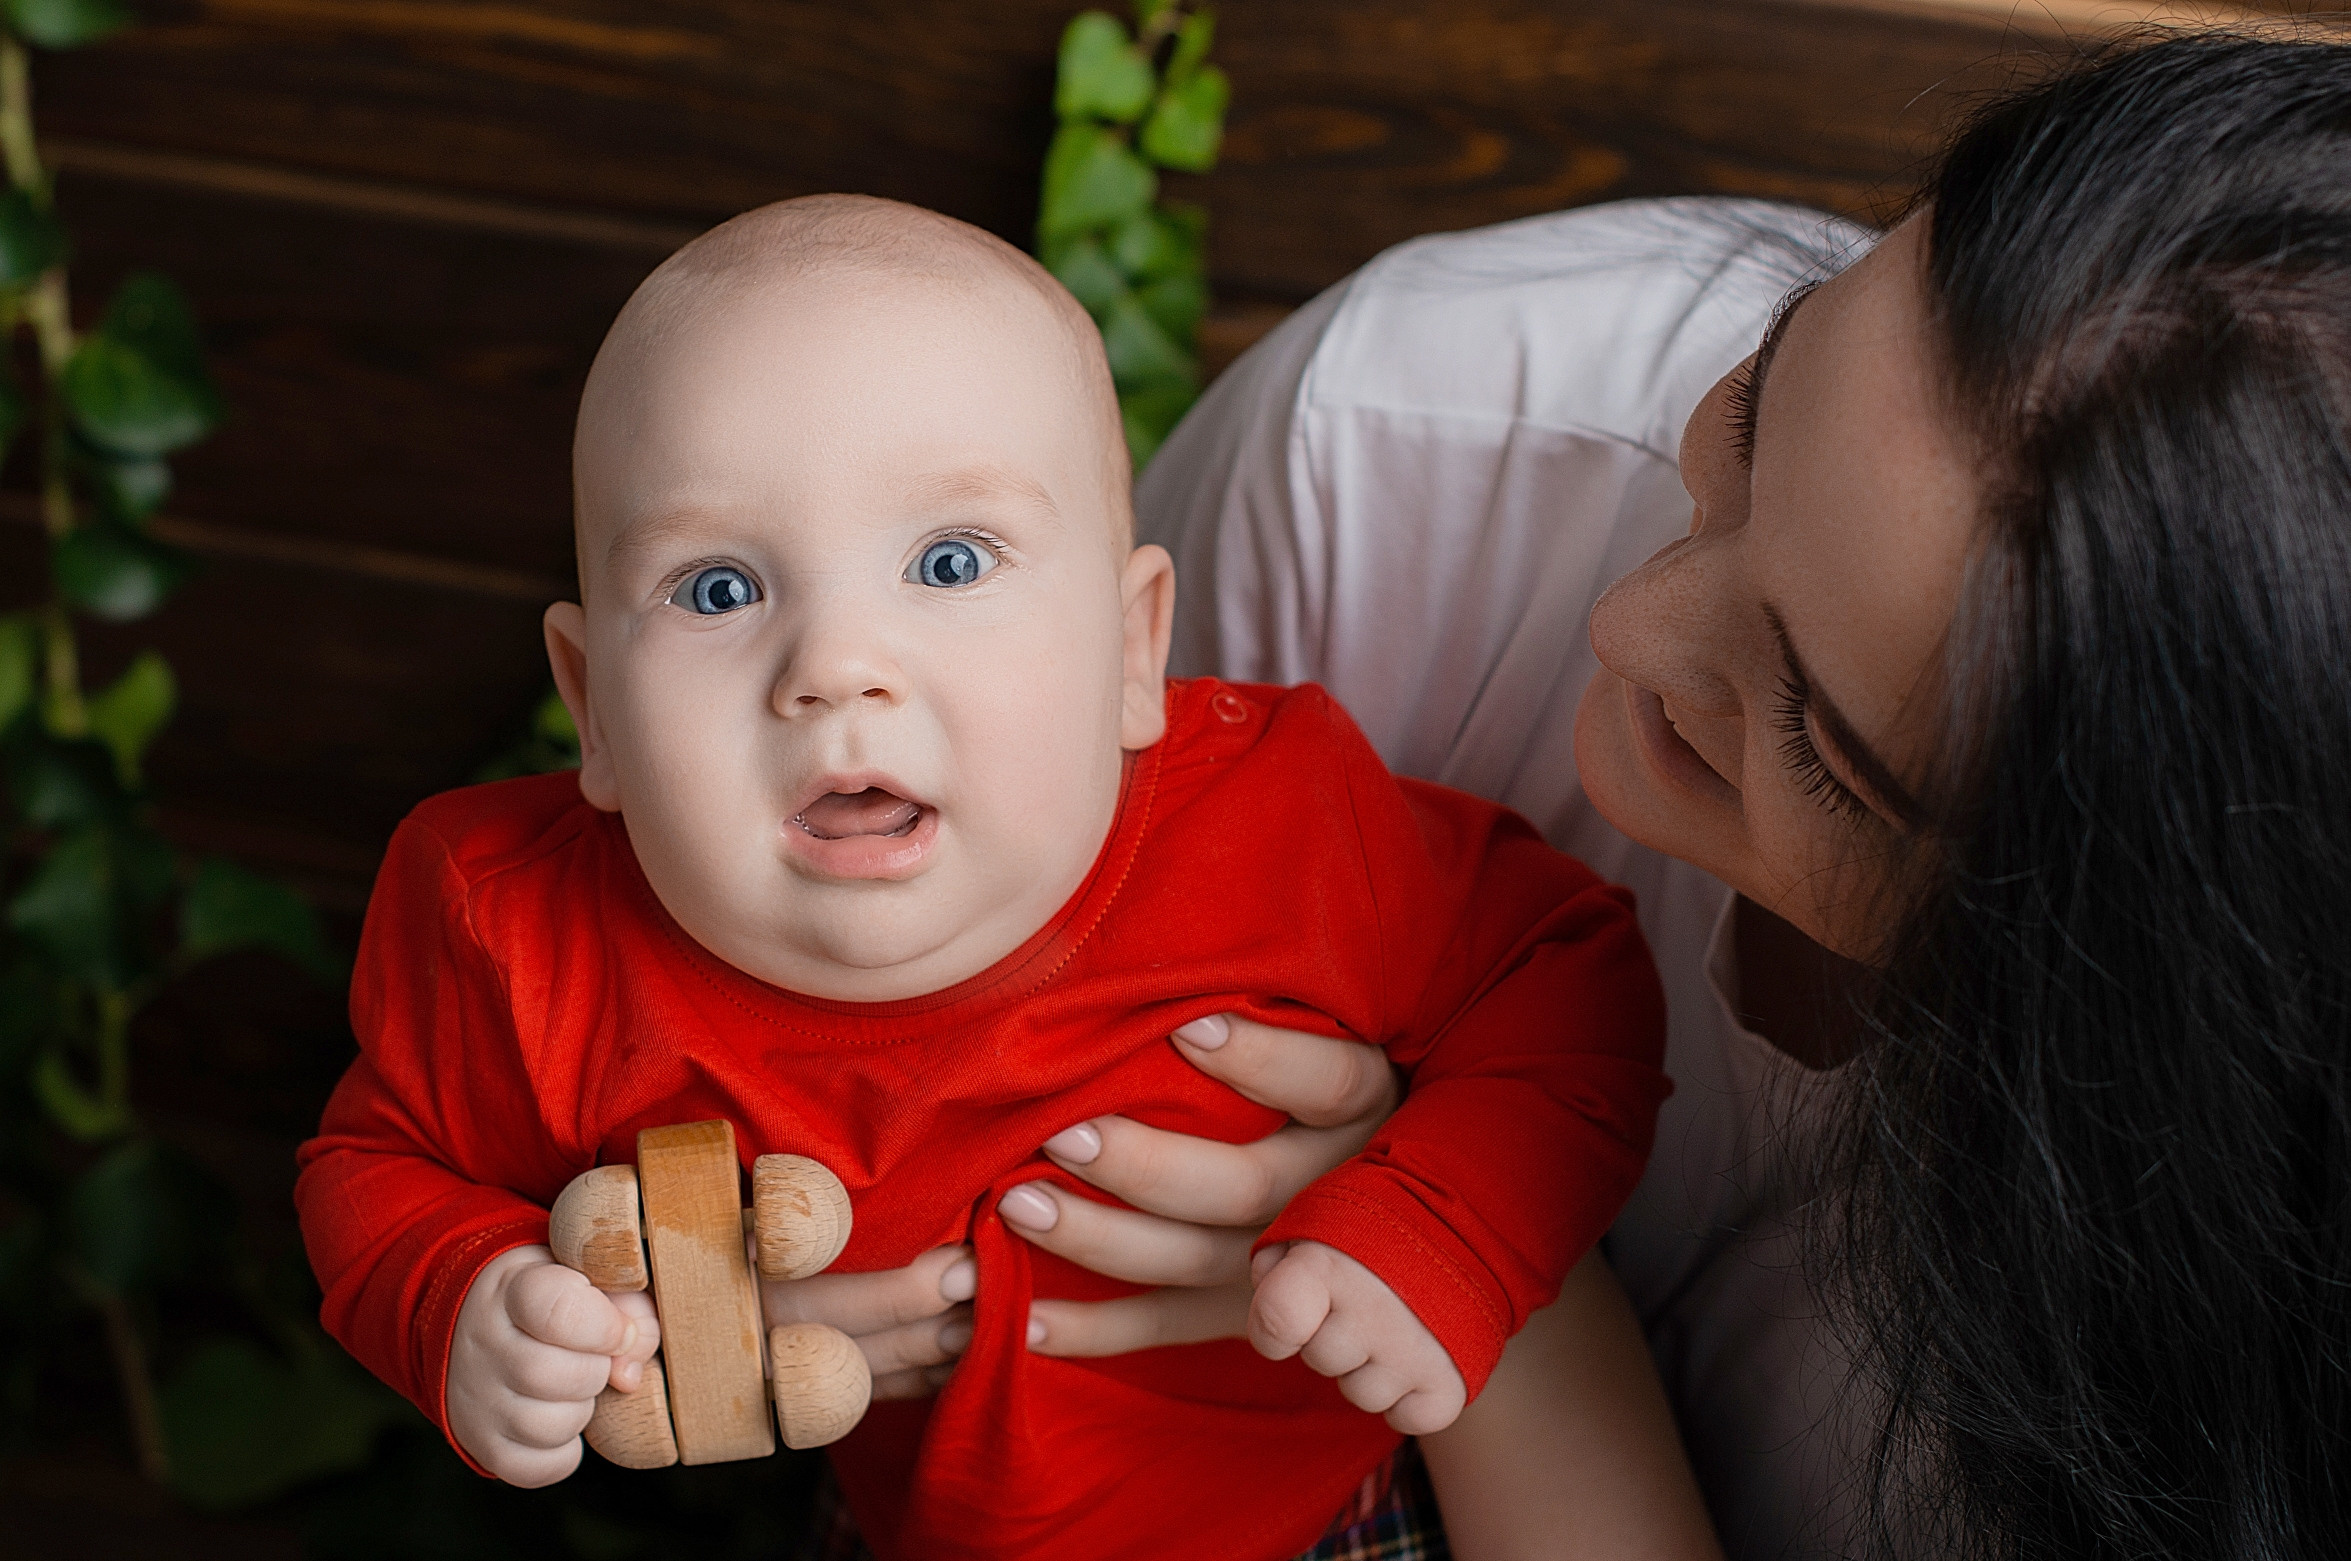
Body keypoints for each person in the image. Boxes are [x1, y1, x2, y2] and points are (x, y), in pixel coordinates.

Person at [758, 34, 2351, 1561]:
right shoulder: (1399, 442)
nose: (1627, 623)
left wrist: (1473, 1236)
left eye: (1815, 737)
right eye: (1754, 409)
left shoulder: (2220, 1377)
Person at [293, 195, 1700, 1561]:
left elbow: (1563, 978)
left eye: (951, 560)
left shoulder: (1288, 827)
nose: (837, 666)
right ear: (593, 707)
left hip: (1332, 1501)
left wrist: (1440, 1215)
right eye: (720, 589)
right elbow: (378, 1164)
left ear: (1133, 651)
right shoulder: (522, 932)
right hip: (908, 1513)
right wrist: (466, 1297)